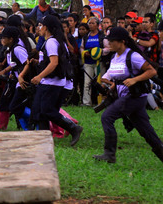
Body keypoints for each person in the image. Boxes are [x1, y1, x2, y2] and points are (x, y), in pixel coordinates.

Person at [94, 27, 163, 163]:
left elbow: (151, 71)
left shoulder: (133, 56)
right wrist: (113, 86)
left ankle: (109, 154)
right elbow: (118, 77)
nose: (109, 43)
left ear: (122, 42)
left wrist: (135, 79)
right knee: (145, 131)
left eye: (112, 41)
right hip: (126, 97)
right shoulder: (115, 57)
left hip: (134, 97)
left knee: (107, 117)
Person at [29, 15, 83, 145]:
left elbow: (54, 63)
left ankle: (73, 128)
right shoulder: (53, 41)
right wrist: (38, 62)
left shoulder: (52, 42)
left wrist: (40, 76)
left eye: (41, 25)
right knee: (41, 112)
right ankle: (44, 140)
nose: (39, 28)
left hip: (51, 83)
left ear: (46, 27)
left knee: (48, 111)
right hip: (48, 82)